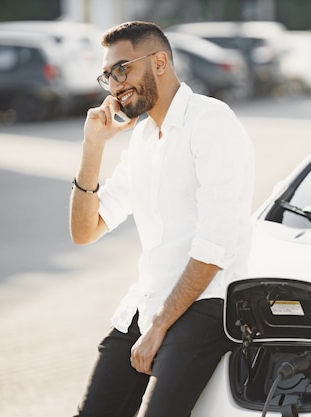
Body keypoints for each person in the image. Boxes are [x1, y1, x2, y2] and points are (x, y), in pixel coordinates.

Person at [69, 21, 255, 417]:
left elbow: (214, 245)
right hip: (147, 302)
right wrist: (92, 147)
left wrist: (158, 327)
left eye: (122, 69)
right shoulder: (142, 139)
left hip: (205, 305)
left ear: (159, 62)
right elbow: (85, 231)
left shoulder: (211, 122)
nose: (115, 84)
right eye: (107, 75)